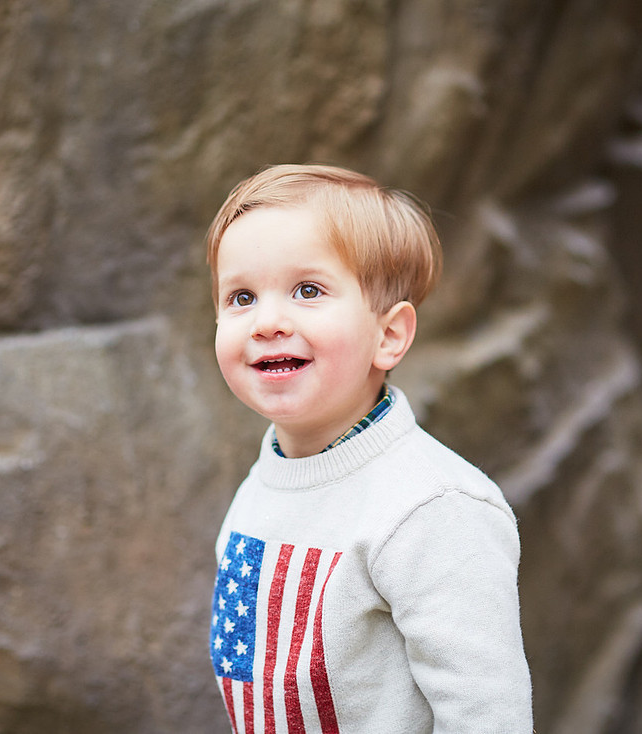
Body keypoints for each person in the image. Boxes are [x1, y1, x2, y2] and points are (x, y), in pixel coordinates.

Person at [205, 164, 532, 733]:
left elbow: (487, 714)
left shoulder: (432, 508)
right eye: (241, 296)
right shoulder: (265, 484)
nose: (266, 321)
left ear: (389, 335)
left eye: (308, 290)